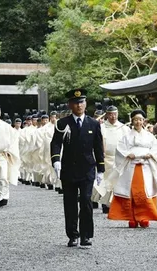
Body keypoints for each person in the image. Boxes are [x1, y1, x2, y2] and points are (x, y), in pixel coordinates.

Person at [51, 88, 105, 248]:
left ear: (85, 103)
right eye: (75, 103)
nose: (79, 105)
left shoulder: (93, 124)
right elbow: (55, 143)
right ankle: (73, 235)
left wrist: (101, 168)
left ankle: (86, 235)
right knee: (70, 203)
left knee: (86, 201)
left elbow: (98, 146)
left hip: (87, 168)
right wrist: (56, 160)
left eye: (81, 102)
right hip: (69, 168)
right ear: (70, 105)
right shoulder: (62, 123)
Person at [106, 109, 157, 228]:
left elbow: (156, 148)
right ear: (132, 121)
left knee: (144, 192)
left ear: (144, 121)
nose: (138, 122)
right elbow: (120, 149)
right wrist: (127, 154)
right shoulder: (126, 136)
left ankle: (144, 216)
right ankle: (132, 217)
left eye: (140, 119)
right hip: (131, 166)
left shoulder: (150, 136)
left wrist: (151, 154)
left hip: (146, 166)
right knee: (131, 192)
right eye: (135, 119)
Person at [98, 105, 130, 213]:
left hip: (119, 159)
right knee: (106, 181)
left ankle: (117, 204)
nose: (113, 116)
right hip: (106, 158)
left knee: (118, 181)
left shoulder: (124, 128)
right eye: (111, 114)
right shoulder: (101, 127)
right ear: (107, 115)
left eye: (115, 114)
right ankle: (106, 203)